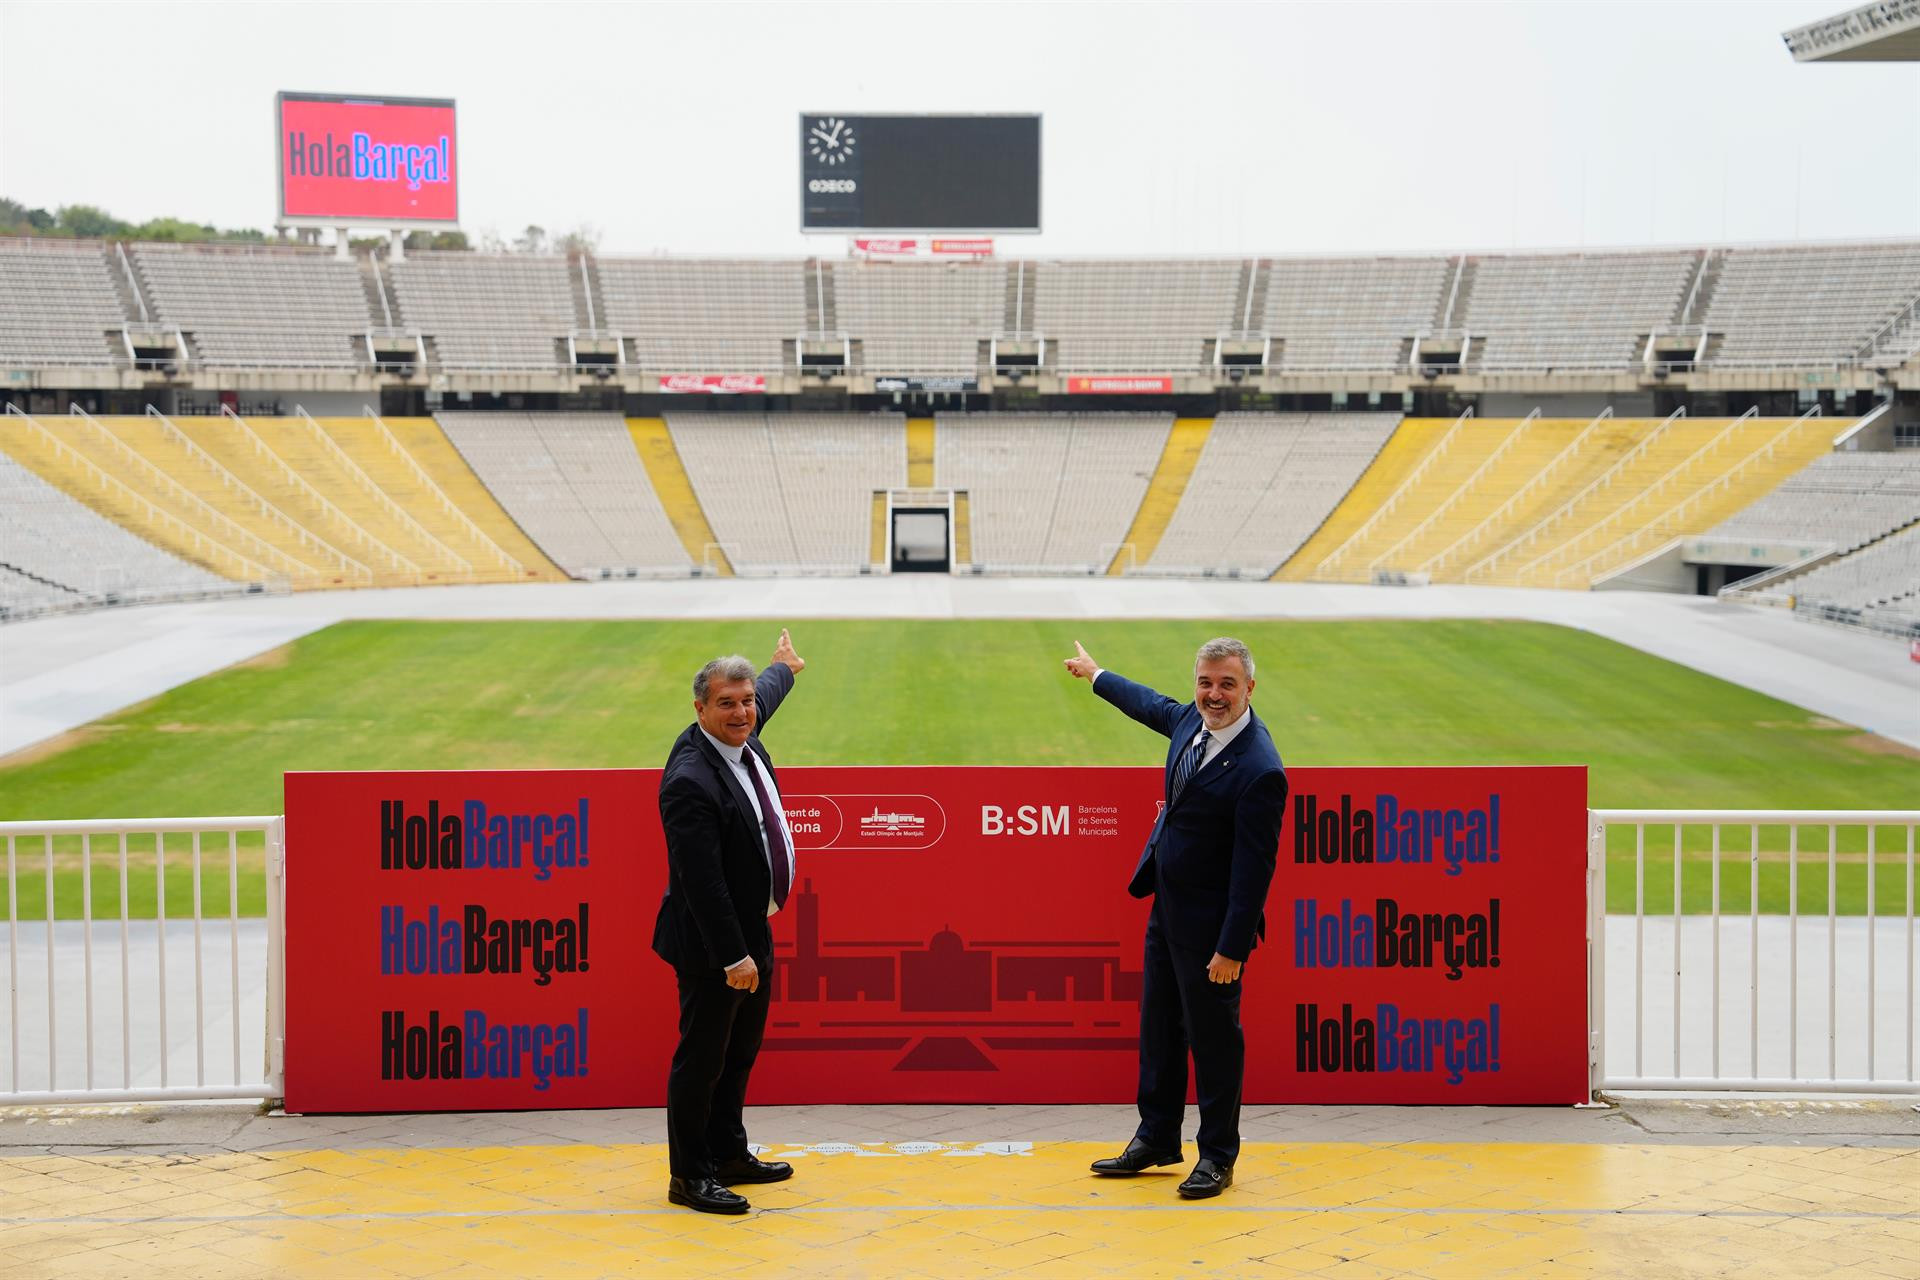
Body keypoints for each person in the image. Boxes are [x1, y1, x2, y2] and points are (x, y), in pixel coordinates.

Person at [1063, 636, 1286, 1199]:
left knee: (1213, 1043)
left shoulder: (1260, 768)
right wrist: (1097, 674)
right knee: (1159, 1028)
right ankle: (1158, 1137)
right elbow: (1152, 706)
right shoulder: (1192, 721)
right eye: (1206, 683)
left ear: (1249, 688)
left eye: (1227, 684)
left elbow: (1253, 871)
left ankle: (1217, 1156)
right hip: (1167, 906)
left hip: (1212, 930)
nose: (1214, 695)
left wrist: (1232, 948)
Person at [653, 629, 807, 1215]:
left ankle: (729, 1153)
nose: (743, 712)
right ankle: (690, 1176)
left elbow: (760, 695)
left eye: (746, 702)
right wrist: (733, 956)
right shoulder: (690, 782)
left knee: (739, 1052)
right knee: (703, 1060)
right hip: (715, 944)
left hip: (751, 928)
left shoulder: (739, 733)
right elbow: (701, 883)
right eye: (727, 704)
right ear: (700, 710)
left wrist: (783, 669)